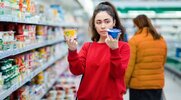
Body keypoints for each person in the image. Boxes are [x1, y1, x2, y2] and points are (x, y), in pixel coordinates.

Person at [65, 1, 130, 100]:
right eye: (98, 22)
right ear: (94, 25)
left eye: (107, 21)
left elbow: (117, 74)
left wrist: (114, 50)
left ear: (114, 22)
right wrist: (72, 51)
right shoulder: (88, 47)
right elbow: (76, 71)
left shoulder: (123, 47)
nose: (103, 26)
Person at [125, 14, 167, 100]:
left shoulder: (134, 40)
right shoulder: (161, 40)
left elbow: (129, 66)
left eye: (134, 25)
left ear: (137, 25)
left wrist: (124, 84)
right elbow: (162, 62)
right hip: (156, 86)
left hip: (138, 87)